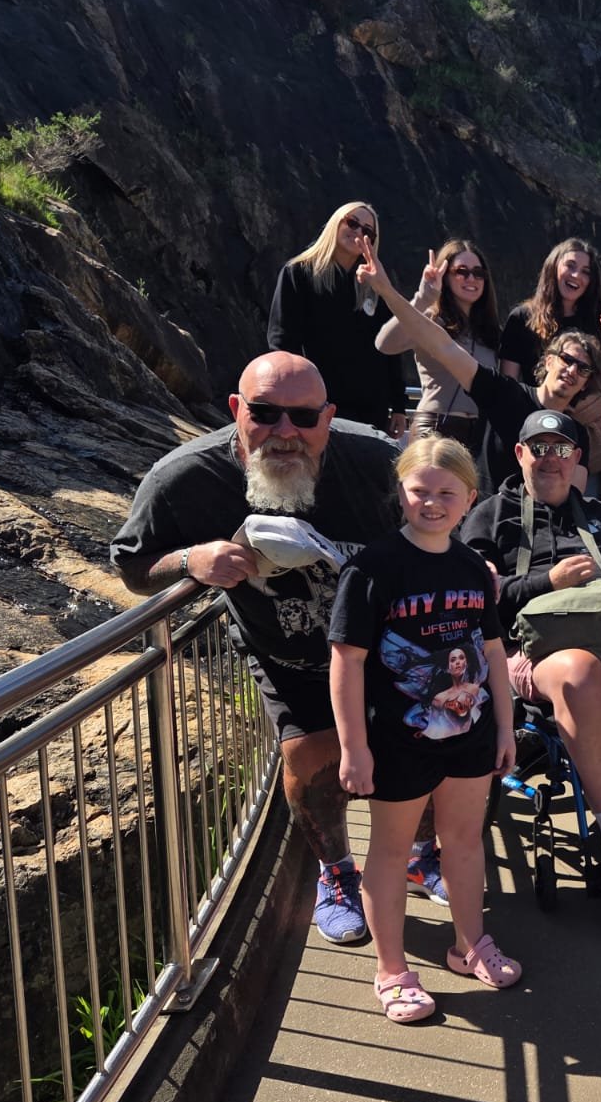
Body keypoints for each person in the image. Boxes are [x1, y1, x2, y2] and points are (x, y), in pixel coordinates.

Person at [112, 352, 414, 945]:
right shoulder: (184, 479)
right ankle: (336, 871)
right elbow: (130, 564)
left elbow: (438, 519)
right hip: (287, 653)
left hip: (382, 648)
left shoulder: (379, 463)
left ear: (328, 418)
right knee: (309, 762)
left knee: (421, 746)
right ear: (236, 410)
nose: (284, 433)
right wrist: (189, 560)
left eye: (303, 418)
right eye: (265, 413)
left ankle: (422, 851)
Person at [328, 437, 519, 1021]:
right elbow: (348, 660)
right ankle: (392, 970)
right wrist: (353, 748)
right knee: (388, 851)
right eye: (420, 491)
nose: (432, 503)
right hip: (398, 739)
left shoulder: (470, 567)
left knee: (463, 841)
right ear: (401, 492)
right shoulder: (373, 568)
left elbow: (492, 649)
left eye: (446, 493)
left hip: (471, 733)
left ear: (469, 499)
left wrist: (506, 728)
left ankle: (469, 944)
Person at [462, 409, 601, 892]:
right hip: (530, 651)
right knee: (579, 670)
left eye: (560, 449)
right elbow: (476, 599)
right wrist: (546, 581)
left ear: (577, 458)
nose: (549, 459)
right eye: (539, 448)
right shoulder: (491, 515)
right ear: (520, 453)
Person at [353, 238, 601, 505]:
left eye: (583, 368)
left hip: (486, 433)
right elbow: (435, 346)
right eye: (462, 272)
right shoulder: (507, 382)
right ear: (546, 361)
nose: (571, 370)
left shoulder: (489, 331)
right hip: (442, 426)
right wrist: (399, 292)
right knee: (431, 502)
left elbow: (569, 501)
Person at [267, 202, 406, 435]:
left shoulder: (376, 283)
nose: (358, 231)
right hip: (316, 407)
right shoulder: (298, 274)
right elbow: (282, 341)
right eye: (352, 222)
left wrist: (399, 407)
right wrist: (294, 397)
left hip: (371, 410)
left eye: (367, 231)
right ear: (336, 223)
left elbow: (392, 348)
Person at [377, 239, 502, 456]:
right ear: (445, 276)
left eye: (478, 272)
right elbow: (385, 344)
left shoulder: (492, 331)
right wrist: (423, 298)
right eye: (461, 271)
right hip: (435, 428)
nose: (471, 278)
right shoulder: (430, 320)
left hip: (481, 433)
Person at [498, 238, 601, 387]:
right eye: (570, 266)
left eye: (585, 272)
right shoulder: (522, 318)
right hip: (534, 408)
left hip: (583, 409)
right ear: (553, 267)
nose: (576, 275)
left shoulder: (598, 323)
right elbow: (507, 385)